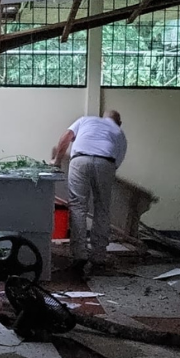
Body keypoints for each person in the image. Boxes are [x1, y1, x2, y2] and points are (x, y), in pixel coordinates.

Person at [51, 110, 127, 279]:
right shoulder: (119, 132)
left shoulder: (86, 120)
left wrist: (57, 161)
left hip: (80, 160)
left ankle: (79, 256)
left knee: (77, 207)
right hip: (105, 162)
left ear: (102, 117)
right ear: (119, 122)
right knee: (102, 209)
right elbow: (116, 162)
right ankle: (98, 257)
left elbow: (67, 136)